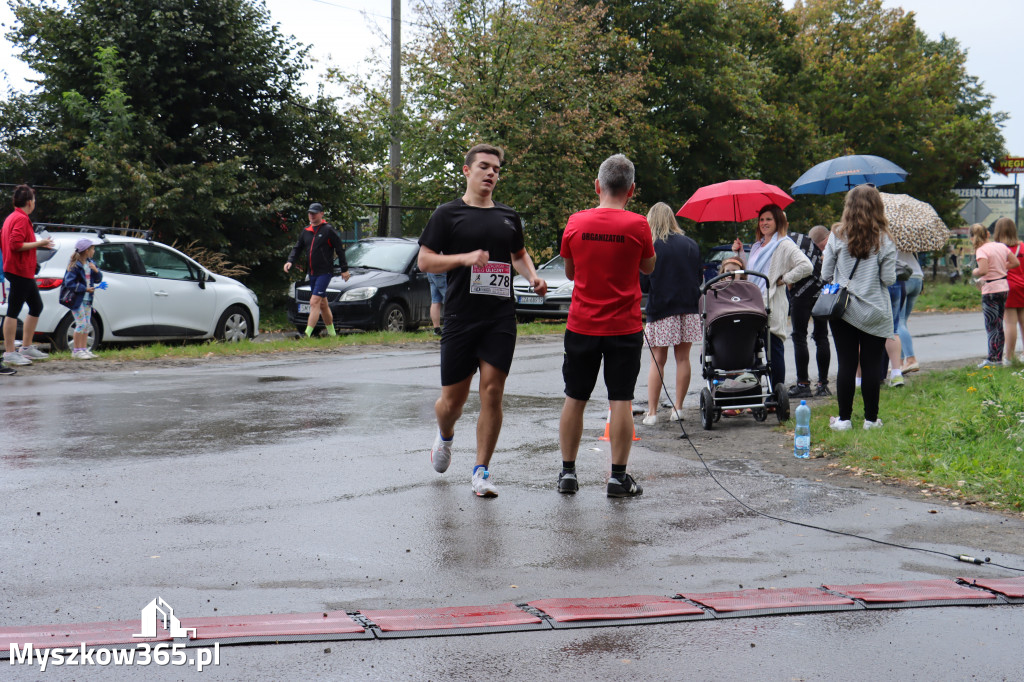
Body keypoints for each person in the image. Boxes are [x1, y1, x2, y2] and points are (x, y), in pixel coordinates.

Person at [417, 143, 547, 497]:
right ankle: (445, 436)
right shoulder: (447, 214)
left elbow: (519, 254)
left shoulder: (507, 216)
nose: (491, 173)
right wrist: (465, 258)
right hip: (461, 317)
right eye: (485, 167)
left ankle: (481, 471)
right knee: (451, 405)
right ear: (467, 171)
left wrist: (532, 276)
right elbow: (425, 261)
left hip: (499, 317)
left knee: (492, 392)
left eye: (497, 169)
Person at [557, 154, 656, 498]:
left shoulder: (575, 222)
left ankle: (568, 473)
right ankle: (617, 477)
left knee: (575, 397)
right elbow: (648, 267)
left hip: (582, 323)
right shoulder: (639, 225)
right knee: (621, 401)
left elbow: (570, 272)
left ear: (598, 186)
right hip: (624, 327)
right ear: (631, 190)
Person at [822, 184, 897, 431]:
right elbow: (888, 279)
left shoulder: (836, 234)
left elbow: (825, 274)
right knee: (871, 365)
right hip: (874, 309)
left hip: (842, 309)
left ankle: (844, 420)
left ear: (848, 206)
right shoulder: (885, 239)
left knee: (846, 363)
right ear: (877, 207)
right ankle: (871, 420)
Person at [731, 205, 812, 392]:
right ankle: (753, 394)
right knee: (753, 351)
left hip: (772, 303)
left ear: (778, 222)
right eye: (761, 220)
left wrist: (785, 279)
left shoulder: (784, 244)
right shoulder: (759, 245)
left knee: (773, 349)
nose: (764, 223)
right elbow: (753, 272)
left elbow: (805, 266)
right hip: (752, 303)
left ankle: (776, 395)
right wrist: (739, 253)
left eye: (769, 219)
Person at [639, 202, 701, 426]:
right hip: (688, 308)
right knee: (683, 358)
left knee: (658, 361)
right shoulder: (691, 245)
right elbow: (699, 279)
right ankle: (678, 408)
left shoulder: (652, 247)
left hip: (662, 309)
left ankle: (653, 413)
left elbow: (644, 284)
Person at [1, 184, 54, 367]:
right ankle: (9, 353)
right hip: (19, 270)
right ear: (30, 202)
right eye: (34, 201)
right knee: (13, 311)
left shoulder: (12, 217)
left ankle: (26, 347)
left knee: (36, 306)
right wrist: (39, 243)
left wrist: (39, 244)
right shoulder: (21, 219)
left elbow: (11, 242)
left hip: (20, 269)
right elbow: (15, 244)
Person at [284, 203, 350, 337]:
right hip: (312, 273)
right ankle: (332, 334)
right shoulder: (306, 231)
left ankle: (306, 335)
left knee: (314, 302)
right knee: (323, 304)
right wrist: (290, 261)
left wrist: (344, 269)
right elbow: (297, 248)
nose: (312, 216)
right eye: (310, 213)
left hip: (325, 273)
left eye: (314, 213)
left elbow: (339, 249)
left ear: (321, 214)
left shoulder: (328, 230)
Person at [787, 225, 832, 398]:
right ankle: (822, 385)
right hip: (823, 295)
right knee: (822, 337)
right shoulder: (830, 250)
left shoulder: (798, 245)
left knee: (799, 337)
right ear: (823, 240)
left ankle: (803, 384)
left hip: (800, 295)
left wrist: (790, 284)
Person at [971, 222, 1019, 367]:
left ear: (973, 238)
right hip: (1003, 287)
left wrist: (975, 272)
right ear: (988, 234)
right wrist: (1002, 267)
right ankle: (998, 357)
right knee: (999, 324)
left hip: (990, 289)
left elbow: (984, 270)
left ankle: (993, 359)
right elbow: (1015, 262)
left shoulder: (981, 250)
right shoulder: (1001, 246)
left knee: (991, 325)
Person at [63, 238, 104, 359]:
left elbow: (98, 279)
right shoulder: (75, 265)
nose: (94, 251)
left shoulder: (91, 263)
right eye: (93, 249)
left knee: (87, 324)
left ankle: (83, 349)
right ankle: (76, 350)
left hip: (87, 300)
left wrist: (96, 270)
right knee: (81, 324)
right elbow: (69, 282)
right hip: (77, 300)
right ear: (86, 251)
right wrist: (84, 289)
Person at [994, 218, 1024, 362]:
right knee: (1023, 321)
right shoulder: (1023, 247)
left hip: (1008, 287)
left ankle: (1009, 357)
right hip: (1023, 286)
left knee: (1010, 323)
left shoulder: (998, 249)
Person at [897, 250, 924, 373]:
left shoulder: (892, 237)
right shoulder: (908, 238)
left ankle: (911, 359)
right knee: (902, 322)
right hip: (917, 277)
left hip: (903, 277)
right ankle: (900, 362)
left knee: (899, 323)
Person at [427, 271, 447, 336]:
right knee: (450, 299)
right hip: (441, 271)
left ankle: (436, 329)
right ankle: (450, 327)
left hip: (430, 271)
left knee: (435, 301)